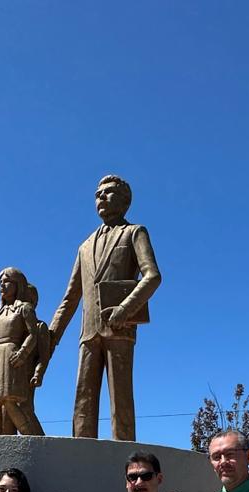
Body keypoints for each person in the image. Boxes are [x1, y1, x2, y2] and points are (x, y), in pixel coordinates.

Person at [49, 174, 161, 440]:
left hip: (120, 327)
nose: (101, 197)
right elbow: (70, 298)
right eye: (98, 194)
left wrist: (124, 309)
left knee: (120, 400)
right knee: (83, 400)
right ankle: (80, 455)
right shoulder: (84, 246)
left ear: (124, 202)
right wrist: (50, 337)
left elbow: (152, 276)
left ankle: (125, 460)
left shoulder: (135, 232)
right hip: (88, 333)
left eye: (108, 193)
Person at [0, 267, 45, 435]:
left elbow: (33, 334)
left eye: (7, 281)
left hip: (12, 355)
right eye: (0, 282)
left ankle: (30, 436)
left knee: (10, 400)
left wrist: (23, 353)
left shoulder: (24, 308)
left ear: (18, 285)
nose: (2, 285)